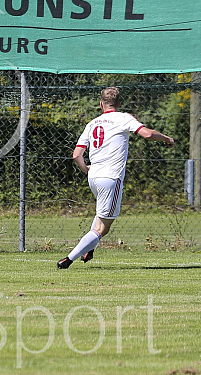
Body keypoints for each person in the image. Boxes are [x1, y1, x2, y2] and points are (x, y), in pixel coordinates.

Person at [58, 87, 175, 270]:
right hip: (111, 177)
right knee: (103, 228)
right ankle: (68, 259)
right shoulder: (123, 117)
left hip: (94, 176)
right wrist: (167, 139)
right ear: (119, 104)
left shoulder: (92, 123)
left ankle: (89, 249)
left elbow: (77, 155)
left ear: (101, 104)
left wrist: (87, 170)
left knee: (100, 215)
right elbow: (148, 134)